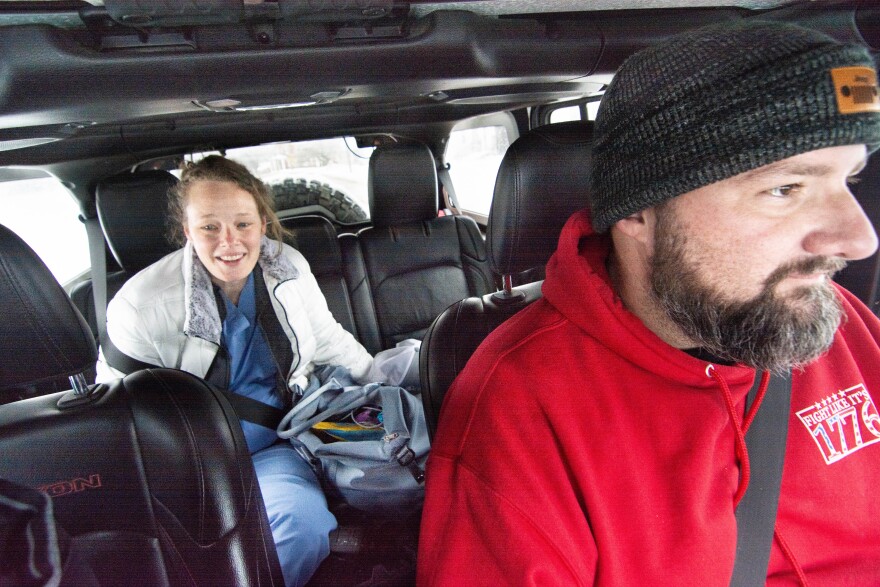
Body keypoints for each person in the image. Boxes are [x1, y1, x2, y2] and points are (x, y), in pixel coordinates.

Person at [417, 20, 880, 586]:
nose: (859, 241)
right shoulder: (521, 407)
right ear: (639, 211)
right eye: (785, 189)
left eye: (848, 181)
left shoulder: (840, 324)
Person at [95, 155, 376, 587]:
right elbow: (119, 419)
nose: (230, 242)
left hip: (287, 434)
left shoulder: (288, 266)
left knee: (306, 524)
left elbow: (328, 340)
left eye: (243, 224)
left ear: (263, 223)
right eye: (209, 227)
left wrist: (382, 384)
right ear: (187, 231)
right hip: (199, 463)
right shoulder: (139, 306)